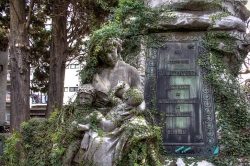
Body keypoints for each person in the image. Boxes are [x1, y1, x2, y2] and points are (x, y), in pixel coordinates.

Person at [77, 81, 144, 150]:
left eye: (127, 93)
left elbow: (110, 95)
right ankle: (87, 127)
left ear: (126, 97)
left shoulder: (120, 103)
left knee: (95, 113)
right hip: (111, 127)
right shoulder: (129, 111)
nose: (124, 93)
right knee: (98, 116)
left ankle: (86, 124)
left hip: (106, 125)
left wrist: (118, 86)